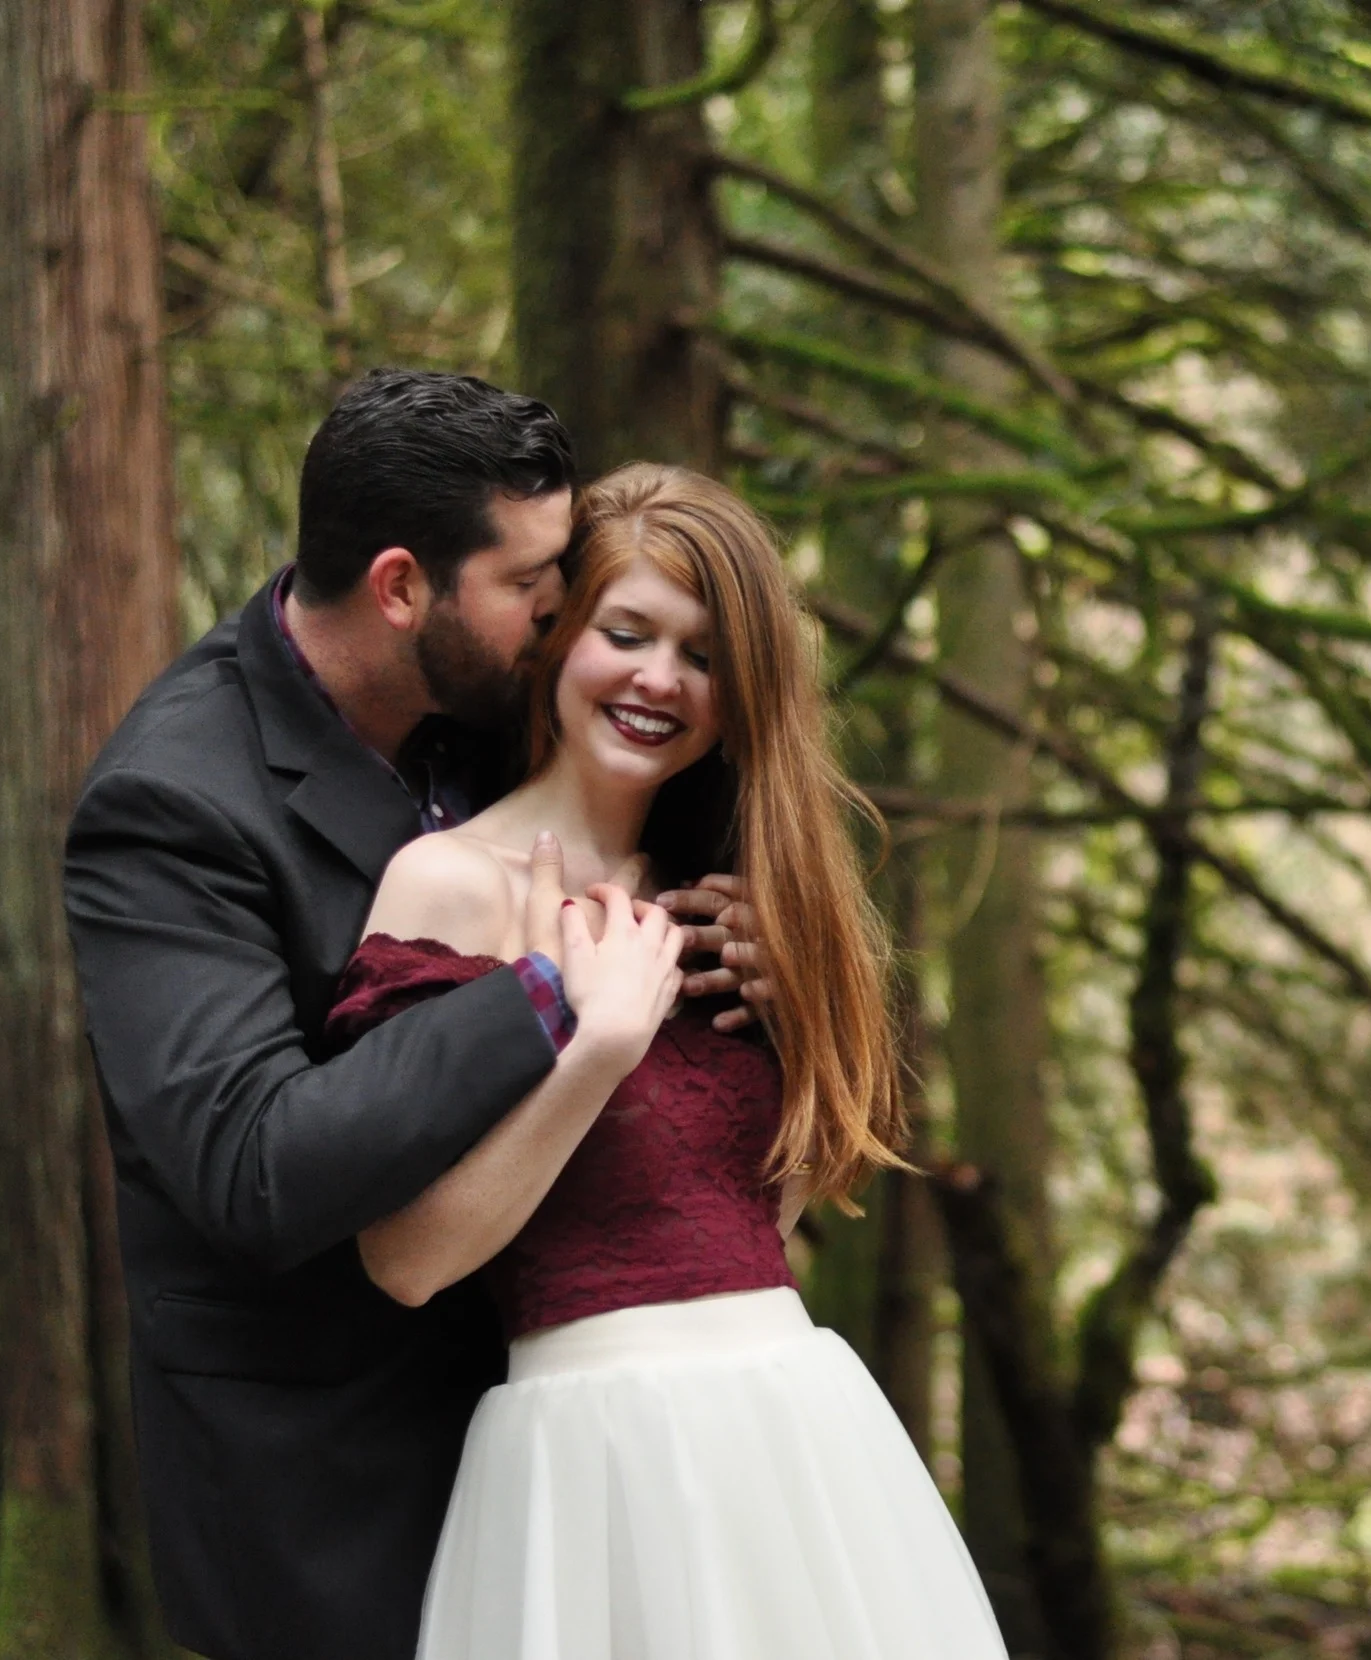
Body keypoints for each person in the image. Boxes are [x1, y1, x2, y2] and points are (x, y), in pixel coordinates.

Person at [62, 372, 769, 1660]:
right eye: (532, 581)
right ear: (402, 588)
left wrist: (764, 955)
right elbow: (254, 1163)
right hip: (328, 1482)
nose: (562, 609)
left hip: (571, 1433)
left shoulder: (496, 705)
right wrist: (549, 993)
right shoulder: (172, 804)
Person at [324, 462, 1006, 1659]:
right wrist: (595, 1042)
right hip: (590, 1457)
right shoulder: (448, 888)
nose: (658, 679)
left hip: (799, 1439)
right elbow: (407, 1259)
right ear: (556, 641)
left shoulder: (732, 906)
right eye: (626, 633)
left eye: (702, 656)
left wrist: (801, 1006)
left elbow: (766, 1209)